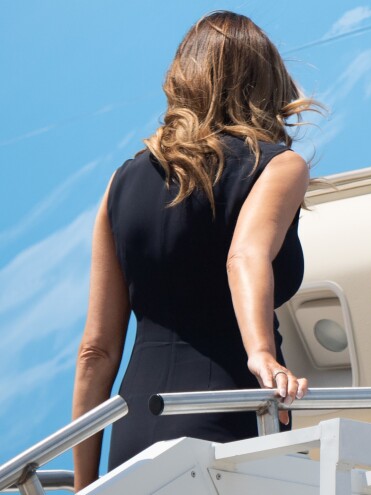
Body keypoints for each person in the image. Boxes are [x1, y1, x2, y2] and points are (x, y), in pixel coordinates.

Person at [71, 11, 318, 491]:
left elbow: (95, 352)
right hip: (228, 418)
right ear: (264, 81)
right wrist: (262, 354)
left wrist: (85, 485)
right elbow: (244, 256)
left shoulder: (120, 182)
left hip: (134, 436)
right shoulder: (278, 166)